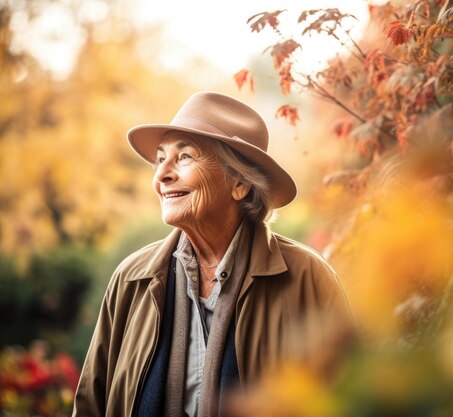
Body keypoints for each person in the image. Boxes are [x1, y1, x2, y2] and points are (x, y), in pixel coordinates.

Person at [72, 92, 354, 417]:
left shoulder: (306, 278)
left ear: (239, 184)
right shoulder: (131, 278)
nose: (161, 175)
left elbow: (352, 401)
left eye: (185, 157)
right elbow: (91, 404)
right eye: (160, 158)